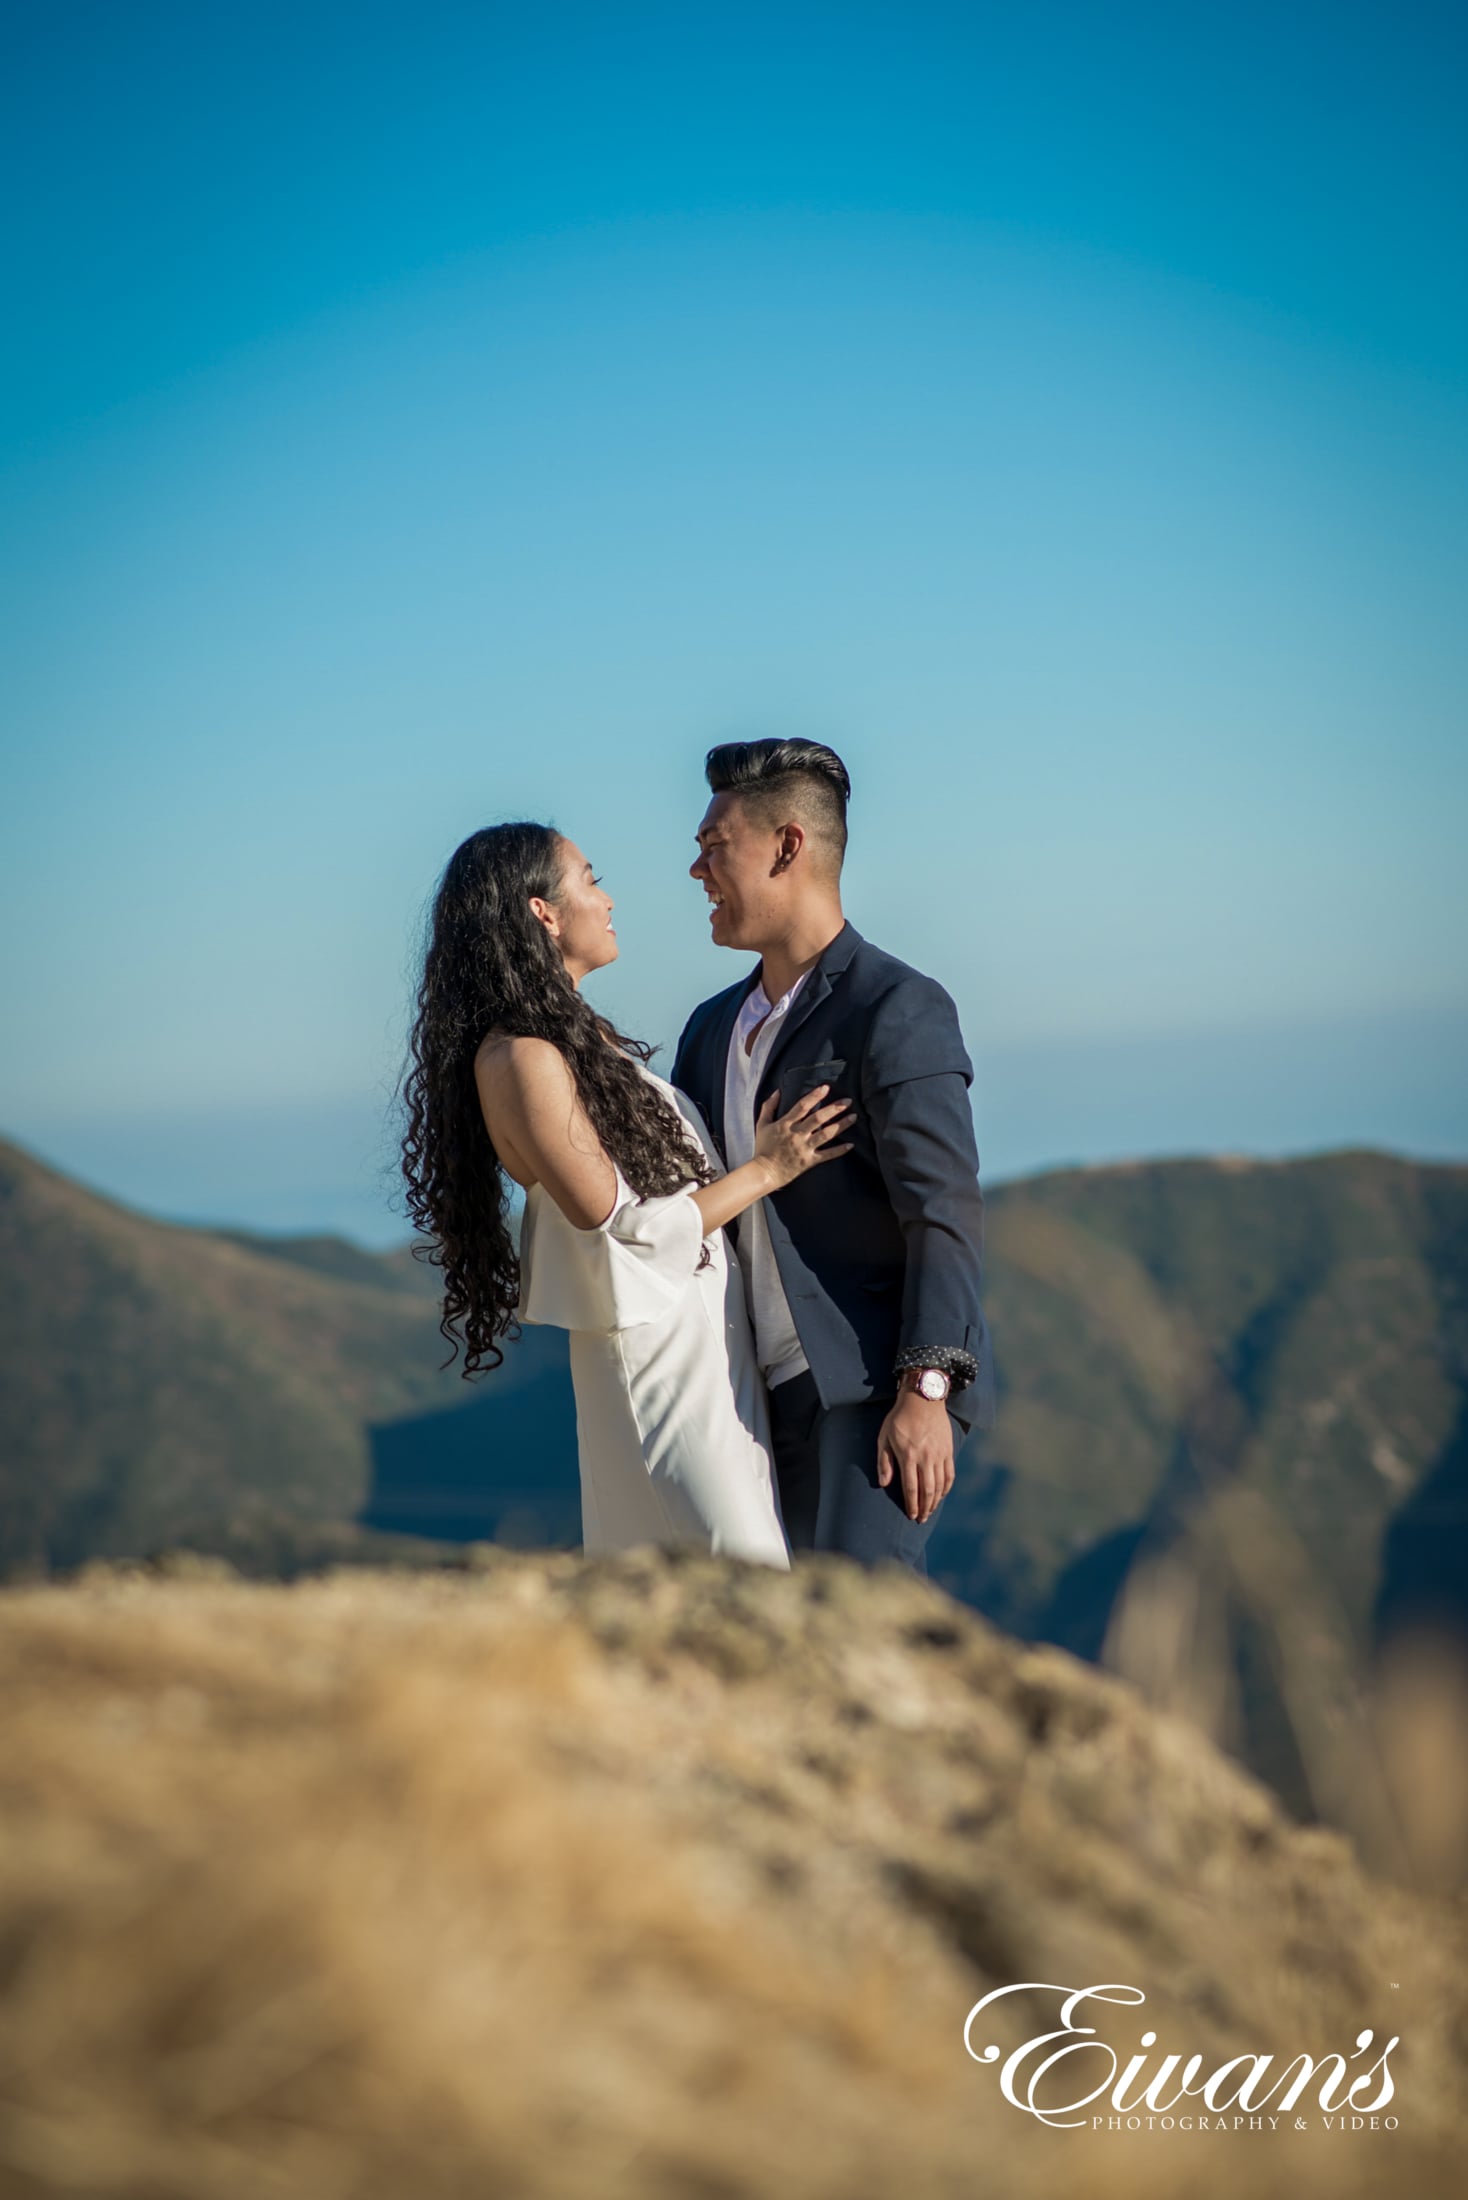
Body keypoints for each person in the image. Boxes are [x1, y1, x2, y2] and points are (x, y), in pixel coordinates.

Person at [399, 820, 855, 1566]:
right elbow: (619, 1226)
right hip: (656, 1365)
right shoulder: (522, 1057)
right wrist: (770, 1169)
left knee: (722, 1593)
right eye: (589, 878)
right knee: (740, 1580)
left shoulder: (577, 1044)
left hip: (706, 1355)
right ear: (542, 911)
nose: (607, 899)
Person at [672, 738, 996, 1575]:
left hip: (865, 1393)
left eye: (714, 845)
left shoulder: (897, 1006)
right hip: (742, 1395)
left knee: (858, 1627)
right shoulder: (709, 1030)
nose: (695, 869)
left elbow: (943, 1212)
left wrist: (926, 1392)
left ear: (788, 846)